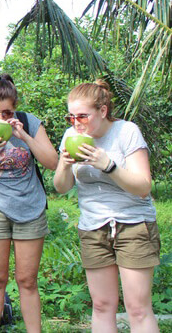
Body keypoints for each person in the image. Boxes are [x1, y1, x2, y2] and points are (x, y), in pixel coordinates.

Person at [53, 80, 160, 332]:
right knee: (101, 305)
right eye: (72, 117)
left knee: (137, 308)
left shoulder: (126, 132)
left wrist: (108, 165)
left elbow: (143, 186)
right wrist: (65, 164)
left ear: (102, 111)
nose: (77, 123)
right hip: (93, 227)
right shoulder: (71, 136)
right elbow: (61, 186)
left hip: (133, 224)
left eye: (83, 116)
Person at [0, 74, 58, 333]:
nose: (1, 118)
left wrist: (24, 136)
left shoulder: (30, 123)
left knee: (27, 280)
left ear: (16, 107)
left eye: (7, 112)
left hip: (31, 208)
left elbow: (53, 162)